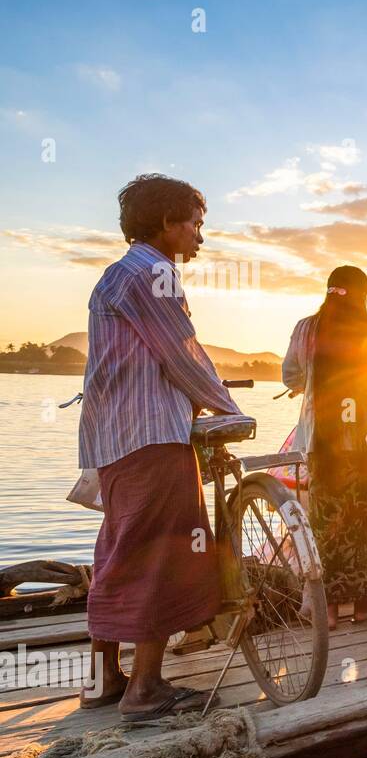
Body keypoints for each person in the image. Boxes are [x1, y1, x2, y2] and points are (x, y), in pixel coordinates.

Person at [78, 174, 245, 720]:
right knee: (162, 552)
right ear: (168, 222)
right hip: (151, 436)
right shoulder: (153, 274)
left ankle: (106, 679)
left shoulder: (116, 275)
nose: (200, 235)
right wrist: (229, 408)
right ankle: (146, 689)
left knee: (120, 549)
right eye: (195, 223)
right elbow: (183, 354)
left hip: (115, 439)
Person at [283, 266, 367, 631]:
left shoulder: (306, 328)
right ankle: (364, 605)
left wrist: (310, 381)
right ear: (363, 295)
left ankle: (330, 613)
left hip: (323, 443)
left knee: (326, 524)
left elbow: (290, 375)